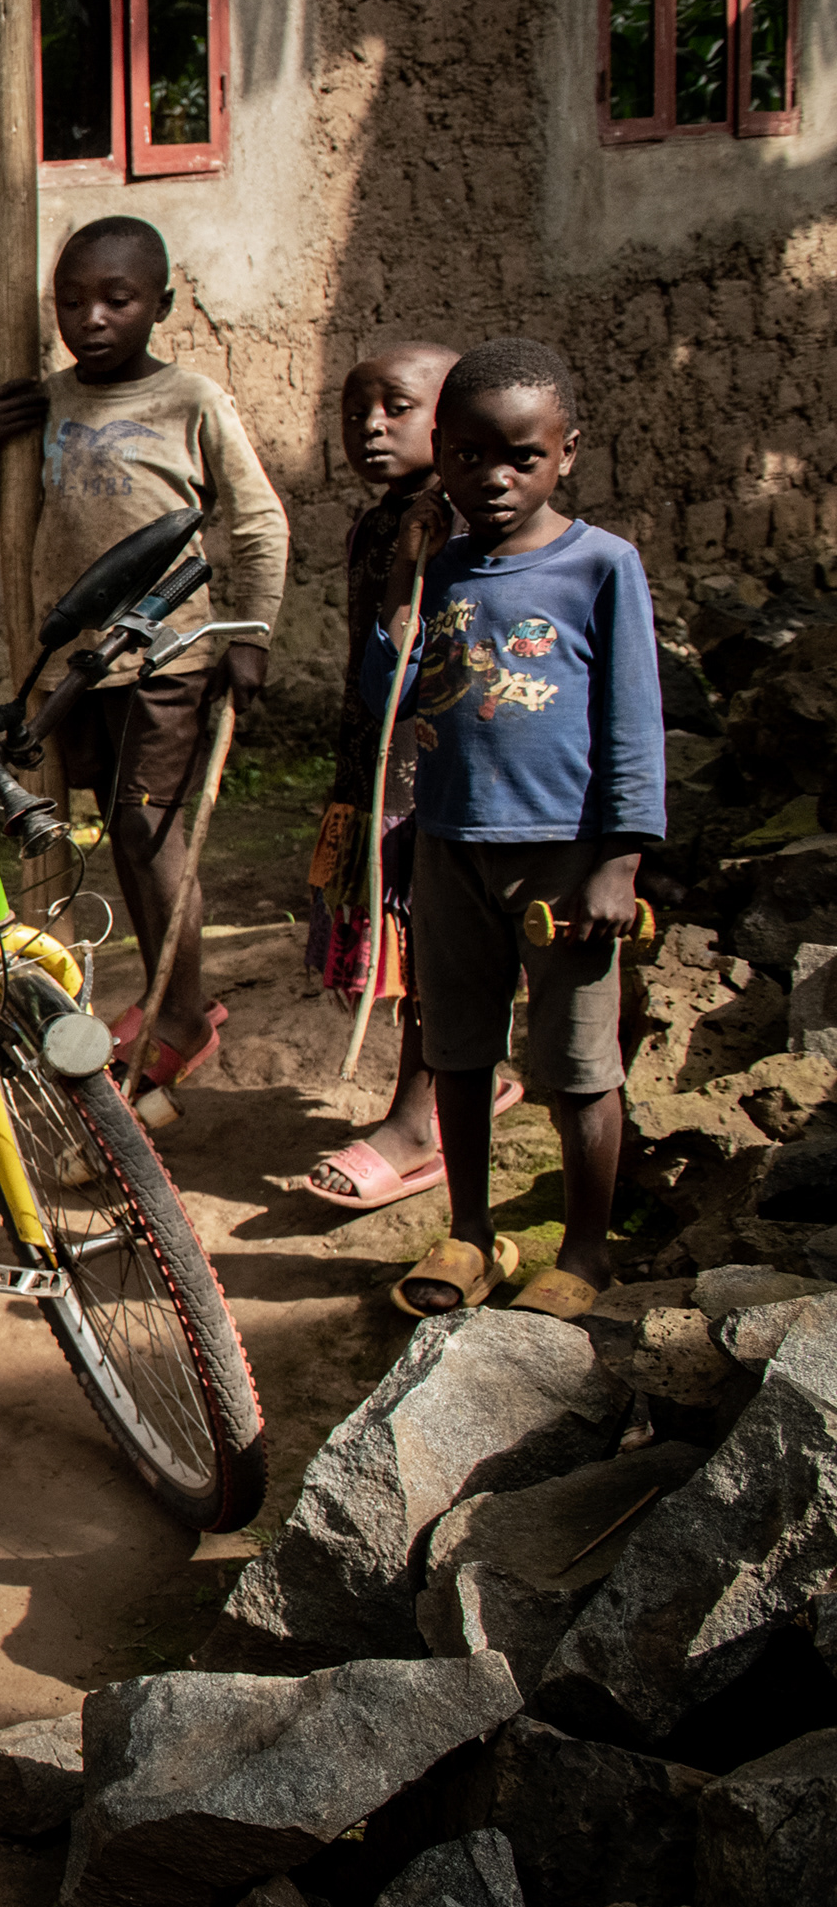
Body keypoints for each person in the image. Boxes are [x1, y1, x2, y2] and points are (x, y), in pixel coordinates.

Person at [0, 217, 286, 1099]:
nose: (91, 317)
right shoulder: (47, 402)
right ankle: (165, 992)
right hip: (80, 666)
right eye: (72, 301)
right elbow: (5, 519)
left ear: (161, 305)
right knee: (122, 828)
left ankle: (183, 1009)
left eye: (117, 299)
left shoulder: (190, 401)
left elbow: (255, 520)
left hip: (169, 656)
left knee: (149, 829)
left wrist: (248, 634)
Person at [373, 341, 664, 1318]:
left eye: (521, 458)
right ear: (439, 453)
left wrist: (618, 863)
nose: (491, 479)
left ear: (566, 451)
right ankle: (469, 1234)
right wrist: (402, 582)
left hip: (566, 859)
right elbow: (392, 698)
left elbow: (630, 723)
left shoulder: (600, 567)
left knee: (579, 1066)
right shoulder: (439, 571)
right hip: (451, 846)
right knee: (455, 1048)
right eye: (466, 456)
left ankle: (585, 1254)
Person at [298, 342, 514, 1207]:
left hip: (433, 778)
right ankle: (457, 1085)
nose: (371, 427)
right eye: (355, 412)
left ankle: (421, 1119)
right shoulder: (390, 517)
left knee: (431, 944)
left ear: (450, 424)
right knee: (410, 944)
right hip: (376, 766)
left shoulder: (458, 521)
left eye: (395, 407)